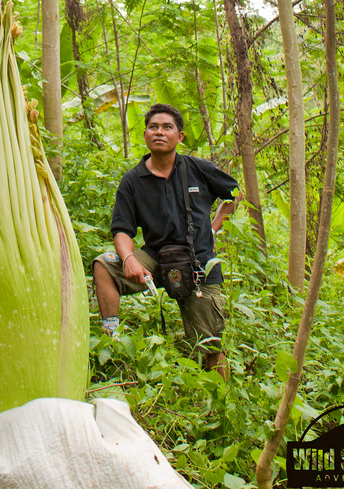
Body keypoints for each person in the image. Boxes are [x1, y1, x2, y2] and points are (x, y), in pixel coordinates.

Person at [93, 103, 239, 376]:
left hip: (199, 265)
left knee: (210, 348)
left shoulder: (198, 168)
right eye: (153, 127)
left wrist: (214, 227)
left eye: (167, 127)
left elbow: (234, 193)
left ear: (180, 136)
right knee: (104, 265)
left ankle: (221, 404)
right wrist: (128, 258)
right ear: (145, 134)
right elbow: (122, 230)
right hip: (157, 260)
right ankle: (110, 336)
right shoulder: (132, 180)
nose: (159, 132)